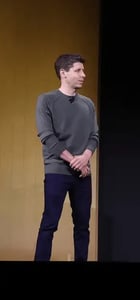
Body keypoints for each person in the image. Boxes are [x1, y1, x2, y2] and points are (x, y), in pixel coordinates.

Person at [34, 53, 99, 261]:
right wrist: (75, 161)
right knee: (49, 223)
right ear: (63, 73)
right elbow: (47, 137)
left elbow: (94, 135)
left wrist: (85, 157)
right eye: (78, 70)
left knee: (82, 226)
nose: (84, 75)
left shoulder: (88, 104)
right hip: (57, 171)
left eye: (83, 70)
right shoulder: (46, 100)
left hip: (83, 174)